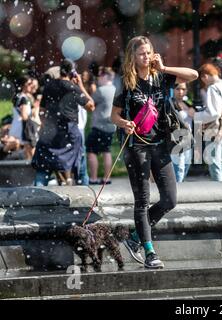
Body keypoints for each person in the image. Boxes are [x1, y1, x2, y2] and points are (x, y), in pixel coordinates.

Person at [111, 36, 198, 269]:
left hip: (160, 144)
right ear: (133, 56)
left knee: (170, 199)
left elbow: (193, 75)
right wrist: (123, 123)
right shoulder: (126, 83)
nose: (146, 57)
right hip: (136, 145)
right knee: (142, 200)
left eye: (149, 52)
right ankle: (149, 252)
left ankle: (135, 237)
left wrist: (165, 67)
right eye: (141, 53)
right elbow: (114, 115)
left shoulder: (161, 77)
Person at [32, 59, 95, 186]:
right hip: (69, 134)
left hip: (49, 133)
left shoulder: (49, 86)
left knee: (43, 169)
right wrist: (81, 86)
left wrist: (45, 124)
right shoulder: (73, 88)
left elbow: (41, 110)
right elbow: (91, 107)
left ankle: (36, 199)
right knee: (81, 169)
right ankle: (87, 199)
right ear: (73, 73)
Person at [195, 63, 222, 181]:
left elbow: (214, 113)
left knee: (215, 164)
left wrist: (196, 116)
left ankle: (220, 195)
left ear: (205, 76)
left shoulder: (213, 88)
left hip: (215, 131)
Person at [86, 67, 117, 185]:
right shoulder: (115, 90)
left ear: (104, 76)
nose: (98, 79)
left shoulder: (101, 91)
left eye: (99, 76)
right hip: (110, 126)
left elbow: (90, 103)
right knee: (106, 151)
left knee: (91, 151)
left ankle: (93, 178)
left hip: (99, 126)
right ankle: (106, 178)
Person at [170, 82, 195, 182]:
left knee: (186, 164)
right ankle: (177, 188)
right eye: (178, 89)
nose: (181, 92)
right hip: (176, 138)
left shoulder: (189, 102)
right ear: (173, 90)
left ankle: (179, 187)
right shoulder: (170, 103)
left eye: (183, 89)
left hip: (189, 139)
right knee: (178, 167)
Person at [9, 76, 35, 160]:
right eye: (29, 84)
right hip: (24, 129)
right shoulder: (24, 99)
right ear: (23, 85)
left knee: (26, 154)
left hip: (16, 127)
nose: (32, 86)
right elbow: (24, 116)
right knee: (32, 154)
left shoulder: (17, 97)